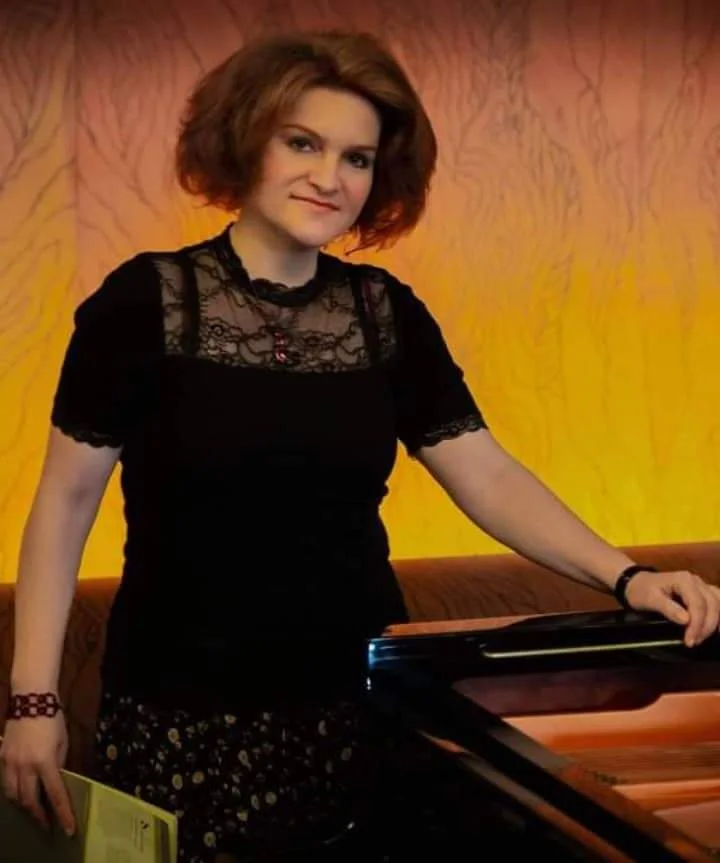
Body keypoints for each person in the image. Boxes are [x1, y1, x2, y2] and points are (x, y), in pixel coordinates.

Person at [1, 28, 719, 863]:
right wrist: (32, 701)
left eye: (357, 158)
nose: (329, 177)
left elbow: (486, 473)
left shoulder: (386, 313)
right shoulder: (142, 302)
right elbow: (64, 504)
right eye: (302, 142)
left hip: (360, 707)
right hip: (181, 711)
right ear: (246, 140)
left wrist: (628, 576)